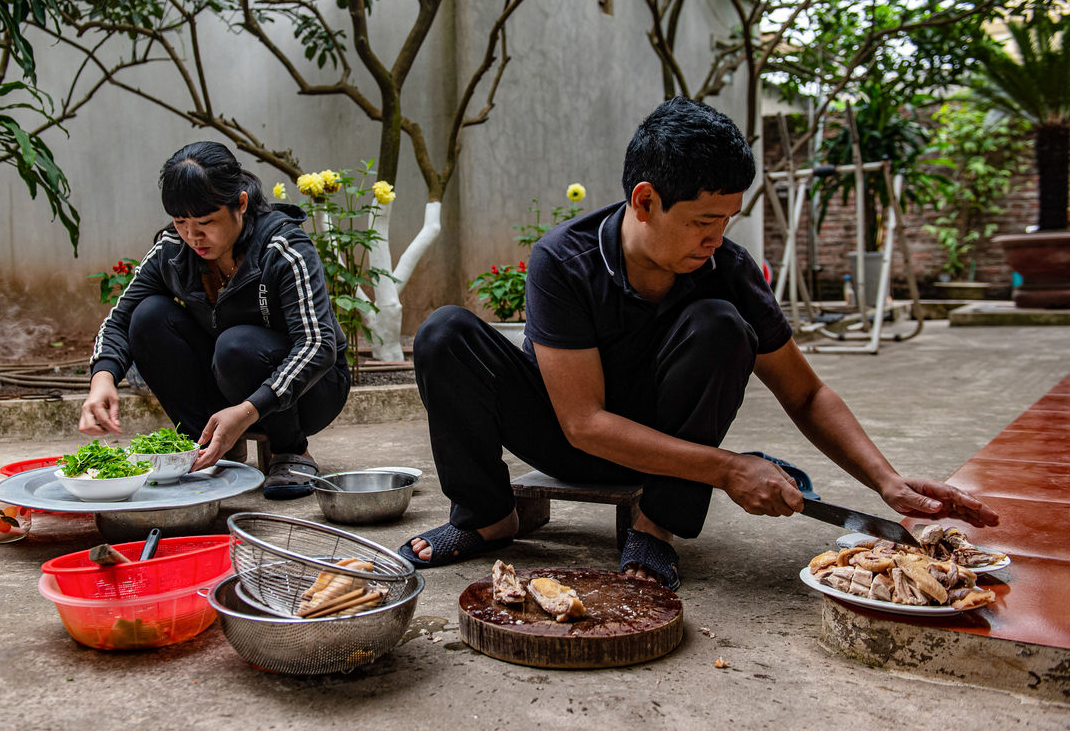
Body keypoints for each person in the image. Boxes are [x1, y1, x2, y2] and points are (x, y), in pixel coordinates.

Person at [400, 97, 998, 586]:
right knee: (445, 331)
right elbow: (583, 423)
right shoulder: (566, 258)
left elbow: (807, 395)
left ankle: (655, 528)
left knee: (719, 324)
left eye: (727, 221)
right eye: (701, 221)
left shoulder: (728, 271)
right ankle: (488, 515)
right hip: (565, 433)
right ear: (645, 201)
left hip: (670, 450)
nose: (715, 238)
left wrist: (887, 482)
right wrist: (730, 468)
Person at [80, 141, 349, 498]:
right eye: (180, 222)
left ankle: (291, 451)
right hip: (226, 383)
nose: (193, 236)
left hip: (313, 393)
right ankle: (207, 449)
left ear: (240, 204)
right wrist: (102, 381)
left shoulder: (284, 248)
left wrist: (248, 410)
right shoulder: (172, 252)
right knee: (148, 318)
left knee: (235, 346)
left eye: (206, 222)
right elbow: (119, 320)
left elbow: (318, 345)